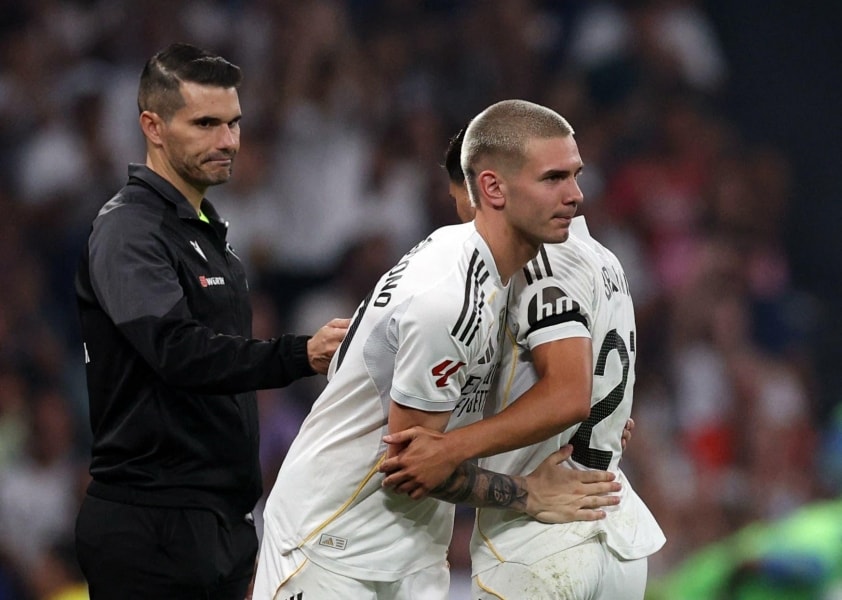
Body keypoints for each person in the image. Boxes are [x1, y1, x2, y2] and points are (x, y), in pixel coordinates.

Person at [252, 100, 623, 600]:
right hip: (331, 545)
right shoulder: (447, 298)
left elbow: (469, 405)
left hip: (416, 551)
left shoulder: (501, 275)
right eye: (553, 178)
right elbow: (413, 468)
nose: (575, 195)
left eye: (576, 175)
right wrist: (528, 494)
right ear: (493, 188)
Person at [73, 43, 349, 600]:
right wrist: (299, 354)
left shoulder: (203, 232)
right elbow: (177, 351)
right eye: (205, 124)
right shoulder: (130, 230)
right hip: (154, 525)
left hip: (215, 524)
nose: (228, 141)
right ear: (152, 126)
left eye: (233, 123)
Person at [380, 124, 665, 598]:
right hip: (614, 532)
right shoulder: (605, 260)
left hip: (541, 541)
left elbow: (568, 393)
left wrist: (449, 448)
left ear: (491, 189)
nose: (464, 216)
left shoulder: (540, 259)